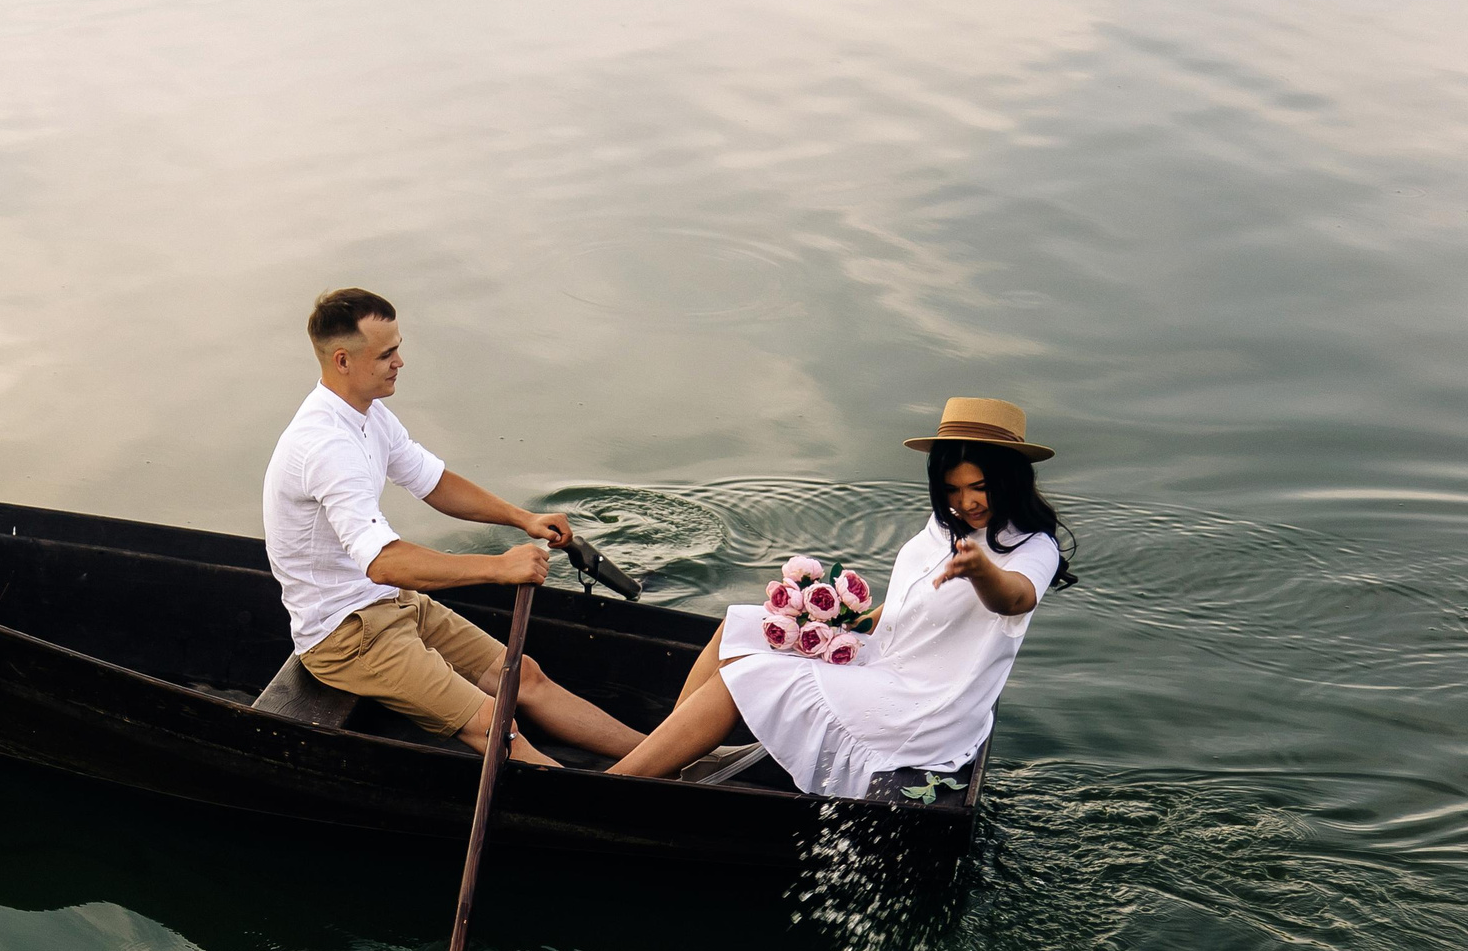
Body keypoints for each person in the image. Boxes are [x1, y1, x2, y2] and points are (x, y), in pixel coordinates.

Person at [262, 288, 644, 768]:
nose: (400, 362)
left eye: (398, 348)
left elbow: (435, 483)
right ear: (343, 360)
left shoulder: (369, 415)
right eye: (386, 354)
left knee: (524, 677)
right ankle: (618, 801)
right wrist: (499, 568)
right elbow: (383, 562)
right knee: (494, 723)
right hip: (344, 636)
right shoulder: (325, 447)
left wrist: (523, 519)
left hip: (392, 602)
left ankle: (668, 760)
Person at [615, 397, 1076, 795]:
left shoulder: (1033, 547)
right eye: (952, 489)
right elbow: (910, 602)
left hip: (927, 706)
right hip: (886, 660)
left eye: (980, 487)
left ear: (1010, 479)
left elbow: (1015, 599)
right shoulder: (945, 524)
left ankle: (618, 783)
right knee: (740, 626)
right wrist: (856, 622)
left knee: (750, 676)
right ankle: (666, 755)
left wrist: (981, 571)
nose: (967, 501)